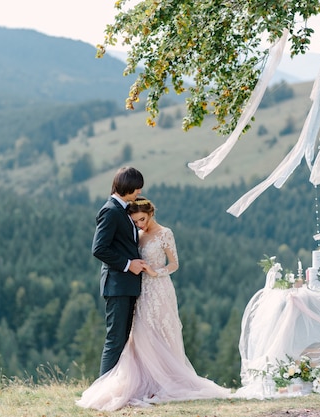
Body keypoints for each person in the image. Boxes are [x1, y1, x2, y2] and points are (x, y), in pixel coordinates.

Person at [77, 197, 231, 411]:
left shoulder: (165, 233)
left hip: (160, 288)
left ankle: (165, 380)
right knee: (141, 334)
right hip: (141, 290)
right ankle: (146, 381)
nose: (140, 224)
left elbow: (175, 264)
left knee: (162, 332)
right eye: (135, 221)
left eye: (142, 219)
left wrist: (154, 272)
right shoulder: (137, 236)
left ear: (150, 214)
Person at [91, 166, 147, 376]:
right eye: (136, 189)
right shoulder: (110, 210)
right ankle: (103, 391)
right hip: (116, 285)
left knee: (123, 339)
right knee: (115, 341)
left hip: (127, 286)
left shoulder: (123, 210)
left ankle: (118, 387)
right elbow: (99, 249)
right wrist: (128, 264)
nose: (139, 193)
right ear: (127, 187)